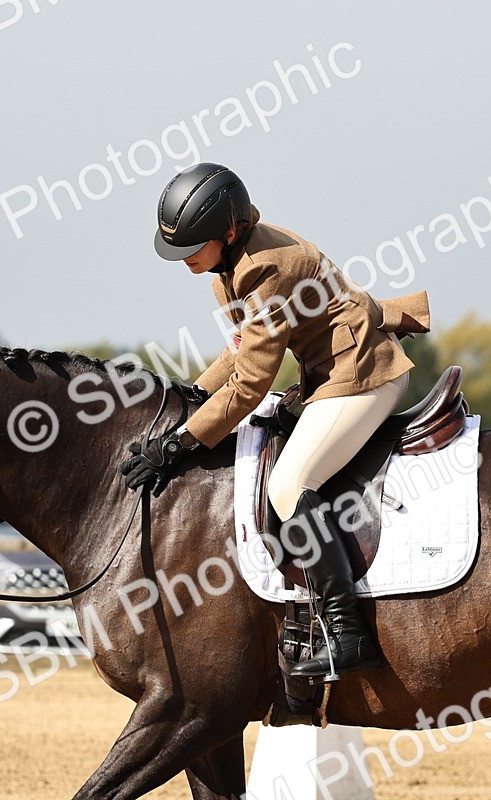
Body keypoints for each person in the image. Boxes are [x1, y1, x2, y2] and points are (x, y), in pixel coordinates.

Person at [119, 163, 430, 679]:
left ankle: (348, 632)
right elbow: (240, 349)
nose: (185, 260)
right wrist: (192, 394)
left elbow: (251, 384)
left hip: (362, 374)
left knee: (290, 484)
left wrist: (180, 443)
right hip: (328, 371)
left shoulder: (264, 270)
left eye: (193, 248)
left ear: (230, 232)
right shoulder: (231, 266)